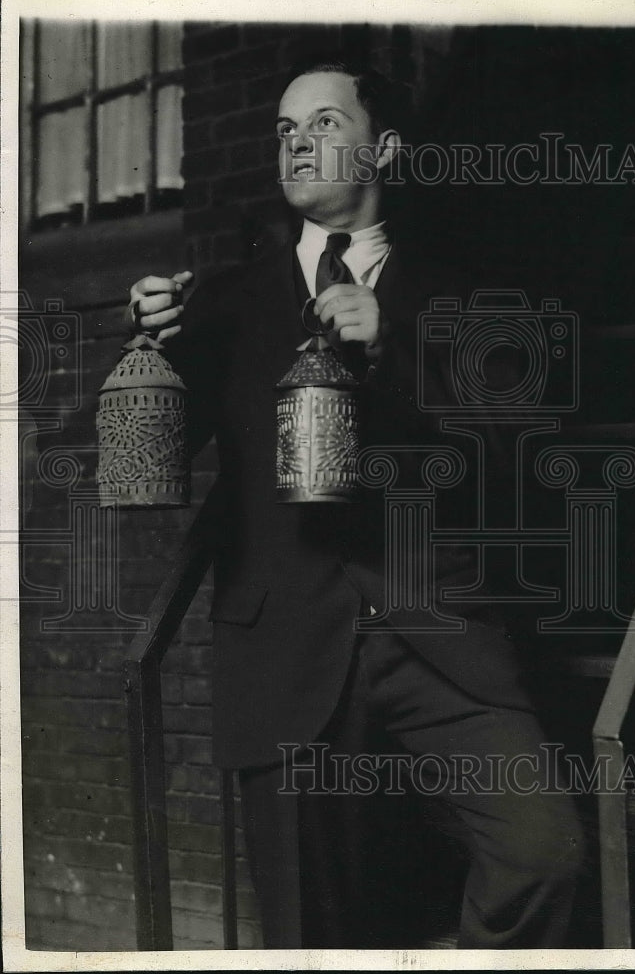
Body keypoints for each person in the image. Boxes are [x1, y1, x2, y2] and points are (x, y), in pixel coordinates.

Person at [126, 56, 584, 948]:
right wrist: (146, 348)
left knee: (542, 849)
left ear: (387, 149)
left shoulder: (468, 293)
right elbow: (123, 458)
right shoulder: (223, 299)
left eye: (325, 126)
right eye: (286, 133)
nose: (298, 148)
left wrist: (396, 350)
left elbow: (523, 452)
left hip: (442, 642)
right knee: (311, 930)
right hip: (290, 648)